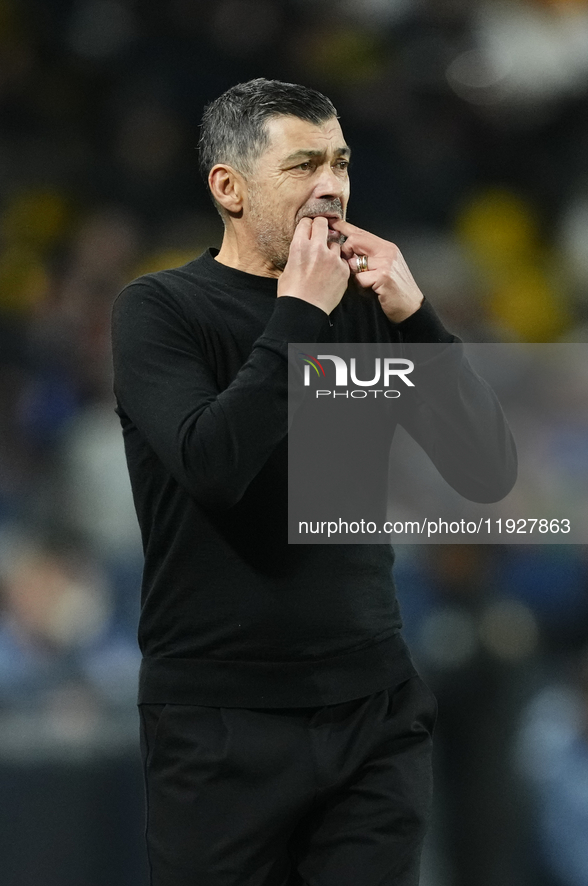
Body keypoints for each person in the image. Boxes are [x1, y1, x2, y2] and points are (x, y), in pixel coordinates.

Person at [111, 78, 516, 886]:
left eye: (340, 163)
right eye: (303, 165)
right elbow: (215, 467)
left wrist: (417, 322)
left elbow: (485, 472)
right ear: (229, 187)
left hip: (373, 708)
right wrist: (296, 314)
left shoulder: (365, 312)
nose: (331, 185)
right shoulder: (160, 311)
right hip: (221, 720)